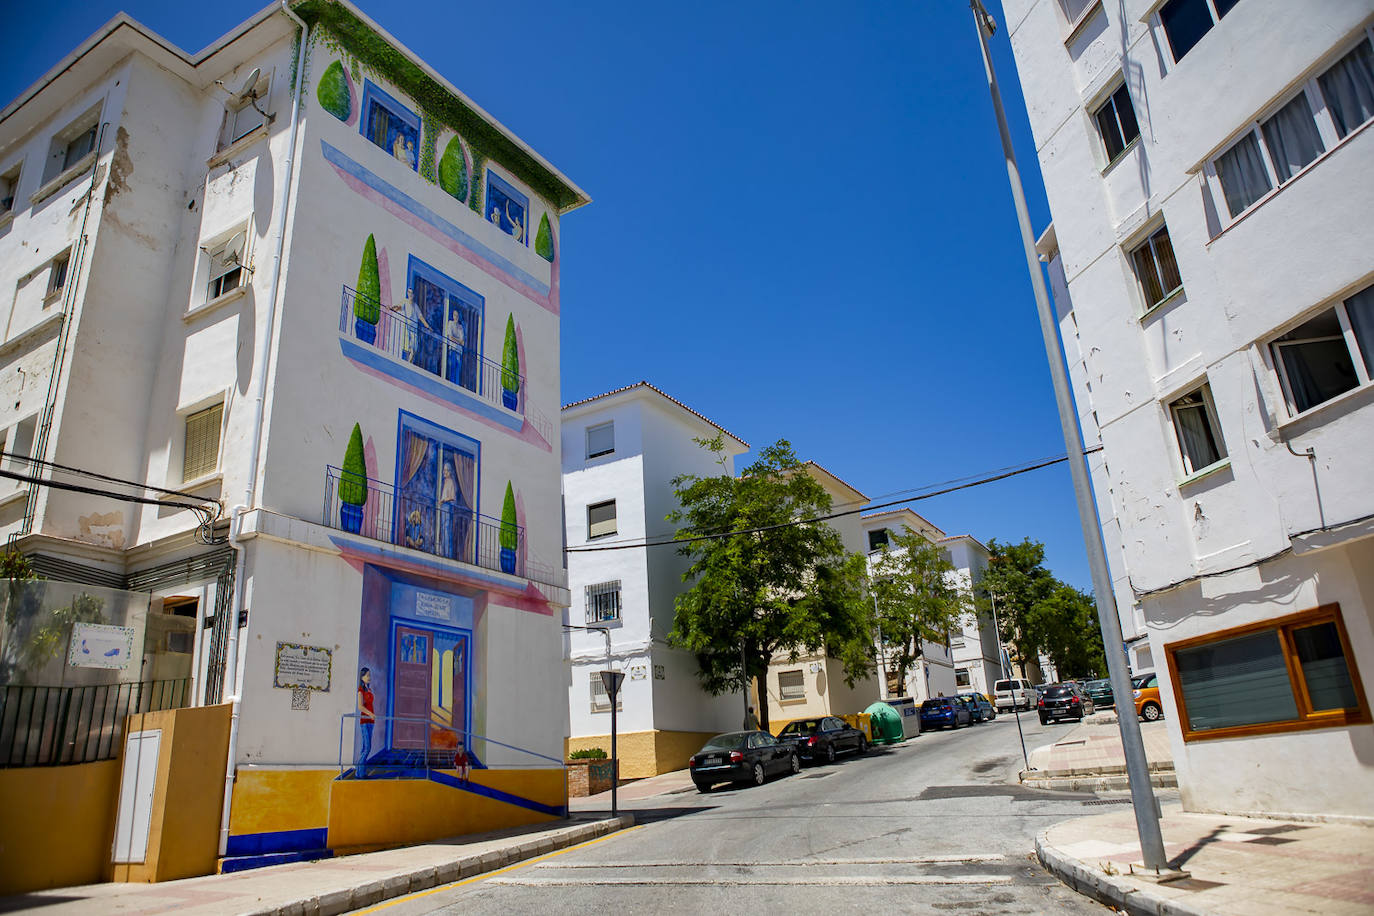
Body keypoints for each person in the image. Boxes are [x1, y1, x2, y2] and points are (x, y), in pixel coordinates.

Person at [357, 667, 375, 777]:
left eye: (369, 675)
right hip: (364, 721)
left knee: (365, 747)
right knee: (367, 748)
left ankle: (360, 772)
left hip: (371, 722)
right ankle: (360, 773)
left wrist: (372, 716)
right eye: (367, 675)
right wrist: (370, 714)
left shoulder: (369, 689)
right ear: (362, 677)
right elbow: (360, 707)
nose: (369, 677)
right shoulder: (360, 690)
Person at [438, 461, 457, 559]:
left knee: (446, 530)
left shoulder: (450, 481)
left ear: (449, 472)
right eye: (443, 470)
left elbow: (452, 496)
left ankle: (447, 554)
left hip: (446, 506)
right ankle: (444, 552)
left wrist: (443, 500)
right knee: (443, 529)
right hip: (443, 506)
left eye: (446, 470)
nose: (444, 472)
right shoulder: (445, 482)